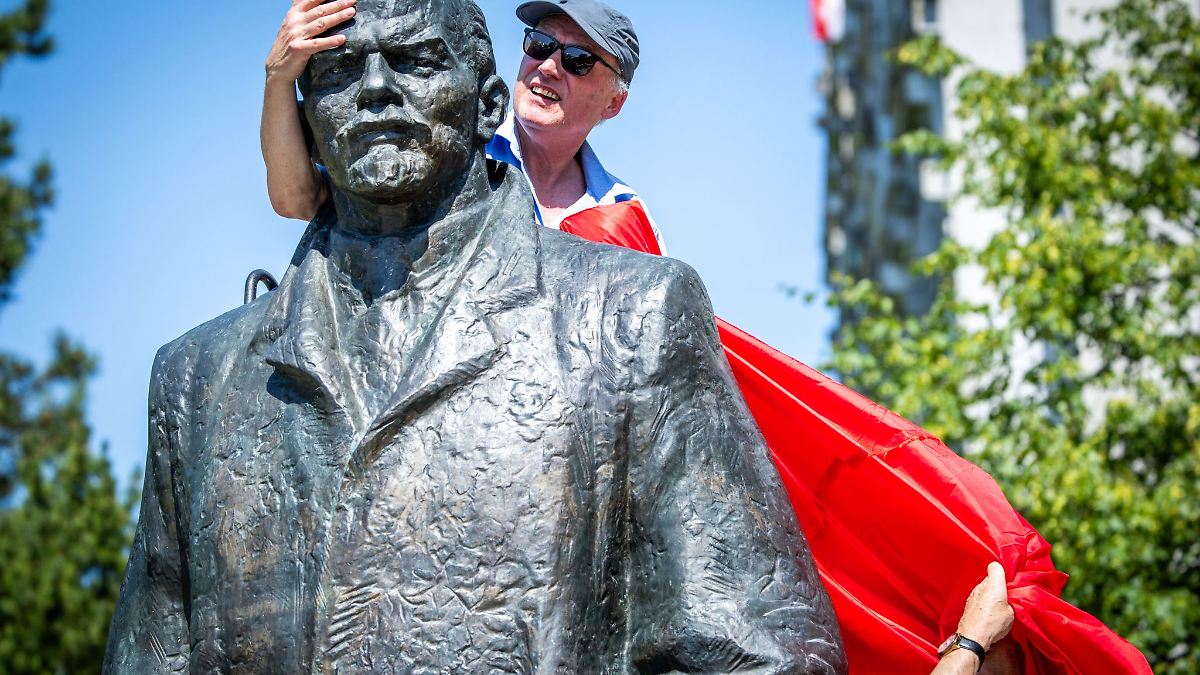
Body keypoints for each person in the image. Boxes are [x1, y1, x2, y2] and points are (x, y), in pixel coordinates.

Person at [257, 1, 1153, 674]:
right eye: (536, 45)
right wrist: (280, 82)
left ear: (611, 100)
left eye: (576, 58)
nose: (546, 68)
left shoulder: (627, 225)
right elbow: (299, 199)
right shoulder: (448, 156)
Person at [103, 0, 848, 671]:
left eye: (416, 61)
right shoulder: (197, 377)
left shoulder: (631, 299)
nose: (373, 90)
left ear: (487, 104)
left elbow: (753, 649)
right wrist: (278, 79)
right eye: (336, 71)